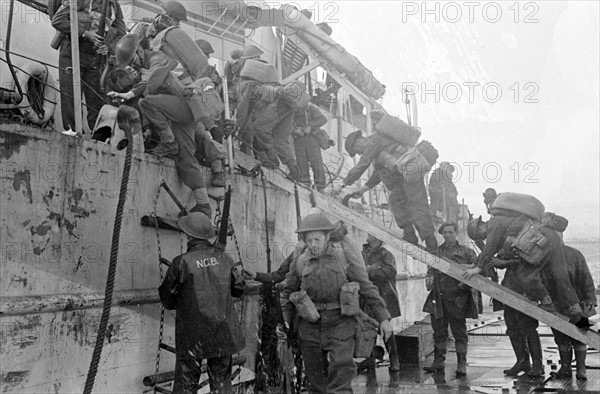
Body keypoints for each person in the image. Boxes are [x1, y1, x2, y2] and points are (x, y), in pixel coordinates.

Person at [282, 213, 393, 393]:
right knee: (315, 383)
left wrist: (384, 319)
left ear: (327, 236)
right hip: (310, 326)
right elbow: (288, 291)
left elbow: (366, 287)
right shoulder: (301, 260)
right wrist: (285, 320)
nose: (313, 245)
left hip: (340, 323)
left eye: (317, 239)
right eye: (309, 240)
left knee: (340, 381)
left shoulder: (343, 255)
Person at [463, 211, 584, 378]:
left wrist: (502, 262)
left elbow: (528, 260)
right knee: (512, 327)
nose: (484, 236)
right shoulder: (501, 239)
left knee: (527, 327)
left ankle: (537, 365)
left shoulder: (518, 236)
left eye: (481, 233)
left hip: (524, 291)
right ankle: (522, 361)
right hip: (510, 289)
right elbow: (492, 257)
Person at [159, 212, 245, 393]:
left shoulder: (181, 262)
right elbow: (238, 289)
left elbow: (167, 300)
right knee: (221, 384)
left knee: (185, 384)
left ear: (188, 235)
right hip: (223, 333)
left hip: (192, 336)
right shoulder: (225, 259)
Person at [334, 130, 438, 250]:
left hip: (410, 178)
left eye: (357, 150)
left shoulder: (373, 142)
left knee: (418, 209)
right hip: (402, 179)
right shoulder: (378, 148)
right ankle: (410, 236)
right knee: (395, 201)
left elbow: (362, 165)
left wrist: (342, 184)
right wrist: (362, 190)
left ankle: (432, 246)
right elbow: (379, 173)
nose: (359, 153)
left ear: (358, 142)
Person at [51, 0, 126, 132]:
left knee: (96, 100)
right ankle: (72, 132)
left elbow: (121, 33)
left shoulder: (113, 5)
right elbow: (57, 20)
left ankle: (97, 135)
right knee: (70, 97)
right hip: (72, 53)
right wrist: (85, 33)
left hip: (96, 59)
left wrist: (109, 47)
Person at [541, 213, 596, 381]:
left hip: (578, 305)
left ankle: (581, 369)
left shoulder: (575, 254)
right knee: (560, 337)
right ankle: (566, 368)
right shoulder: (544, 257)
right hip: (556, 305)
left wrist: (590, 302)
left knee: (581, 336)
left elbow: (586, 279)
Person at [423, 222, 478, 377]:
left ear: (456, 233)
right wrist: (429, 279)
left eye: (450, 232)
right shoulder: (437, 252)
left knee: (459, 332)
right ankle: (438, 361)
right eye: (445, 233)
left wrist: (463, 285)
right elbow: (430, 270)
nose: (447, 235)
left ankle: (461, 363)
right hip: (439, 297)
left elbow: (477, 272)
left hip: (458, 298)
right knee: (439, 331)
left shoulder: (467, 252)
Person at [362, 234, 401, 372]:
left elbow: (391, 271)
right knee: (367, 328)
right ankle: (369, 360)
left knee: (386, 329)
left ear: (377, 238)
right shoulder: (363, 253)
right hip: (366, 296)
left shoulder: (386, 254)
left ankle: (394, 359)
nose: (367, 236)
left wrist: (370, 269)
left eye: (370, 234)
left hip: (383, 296)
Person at [292, 103, 329, 191]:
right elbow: (285, 124)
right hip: (299, 140)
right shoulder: (290, 110)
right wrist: (294, 131)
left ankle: (320, 187)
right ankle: (304, 184)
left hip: (312, 139)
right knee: (301, 162)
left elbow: (323, 119)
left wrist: (310, 126)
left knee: (316, 163)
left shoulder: (311, 108)